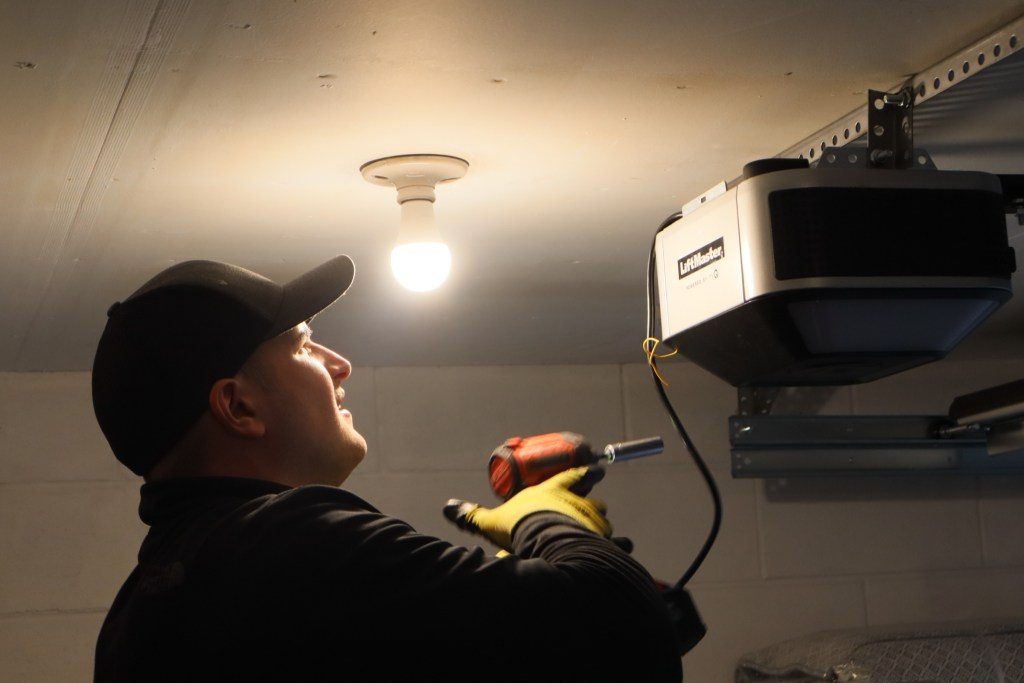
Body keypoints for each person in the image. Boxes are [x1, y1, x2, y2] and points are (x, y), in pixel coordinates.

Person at [90, 254, 685, 682]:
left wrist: (509, 604)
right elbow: (627, 629)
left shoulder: (138, 610)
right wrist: (545, 519)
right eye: (302, 345)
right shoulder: (292, 538)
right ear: (238, 405)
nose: (340, 364)